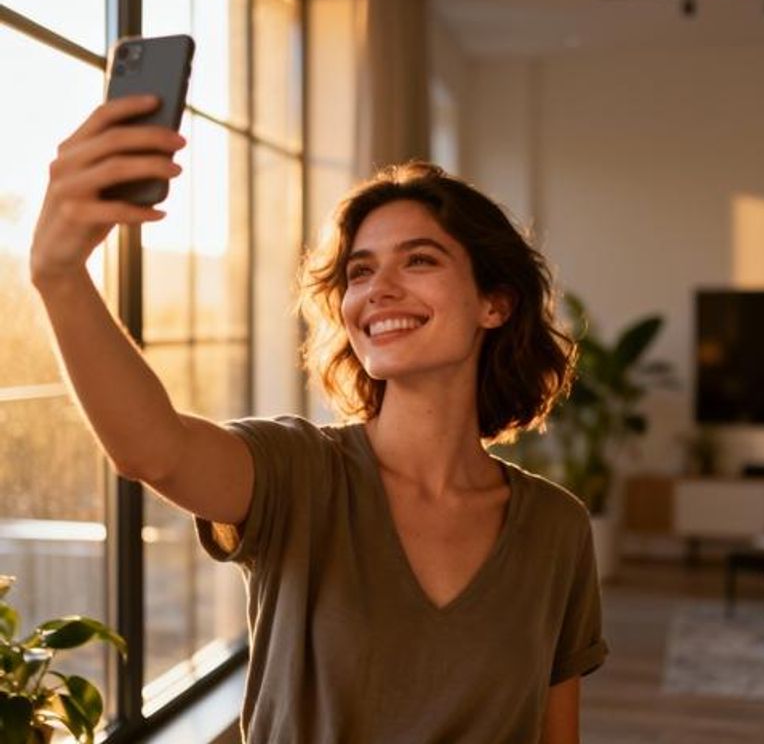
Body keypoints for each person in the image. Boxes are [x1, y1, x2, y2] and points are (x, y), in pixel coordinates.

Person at [31, 94, 609, 744]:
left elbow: (558, 734)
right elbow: (155, 451)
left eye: (419, 260)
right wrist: (60, 274)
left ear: (494, 304)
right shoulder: (298, 472)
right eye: (361, 272)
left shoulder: (557, 528)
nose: (379, 289)